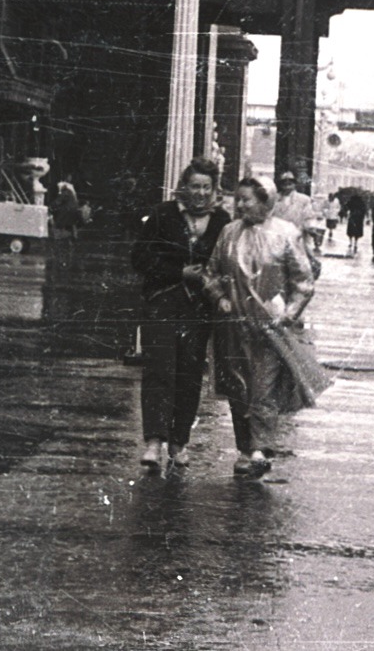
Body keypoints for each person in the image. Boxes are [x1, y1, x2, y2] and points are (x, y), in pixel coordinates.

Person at [203, 176, 317, 478]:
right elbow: (211, 272)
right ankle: (245, 447)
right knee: (239, 389)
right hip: (233, 325)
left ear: (265, 200)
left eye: (246, 199)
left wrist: (287, 314)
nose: (240, 205)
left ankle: (260, 448)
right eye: (237, 199)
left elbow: (303, 282)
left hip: (270, 329)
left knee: (263, 389)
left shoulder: (285, 234)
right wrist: (219, 298)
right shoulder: (229, 233)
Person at [129, 158, 231, 473]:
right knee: (159, 370)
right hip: (162, 301)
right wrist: (179, 272)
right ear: (184, 187)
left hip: (199, 308)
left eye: (206, 187)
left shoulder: (222, 221)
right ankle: (154, 443)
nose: (200, 193)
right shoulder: (162, 214)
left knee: (188, 375)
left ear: (214, 189)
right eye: (194, 186)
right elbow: (140, 257)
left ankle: (179, 442)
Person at [271, 171, 325, 264]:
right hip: (276, 240)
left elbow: (308, 217)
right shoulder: (273, 199)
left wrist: (311, 227)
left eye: (290, 181)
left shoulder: (304, 200)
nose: (287, 184)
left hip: (297, 239)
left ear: (295, 183)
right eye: (284, 182)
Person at [340, 188, 367, 255]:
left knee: (351, 231)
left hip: (353, 217)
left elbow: (346, 207)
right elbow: (364, 210)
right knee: (357, 231)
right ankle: (355, 243)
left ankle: (351, 242)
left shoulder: (351, 200)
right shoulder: (361, 201)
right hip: (359, 218)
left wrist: (345, 213)